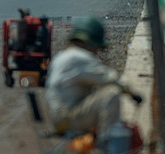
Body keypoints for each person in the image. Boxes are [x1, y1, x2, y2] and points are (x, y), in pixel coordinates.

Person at [45, 16, 142, 147]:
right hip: (68, 118)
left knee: (98, 92)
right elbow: (110, 78)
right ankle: (106, 142)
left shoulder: (62, 56)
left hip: (60, 118)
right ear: (89, 42)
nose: (97, 52)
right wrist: (133, 94)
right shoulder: (79, 58)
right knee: (111, 94)